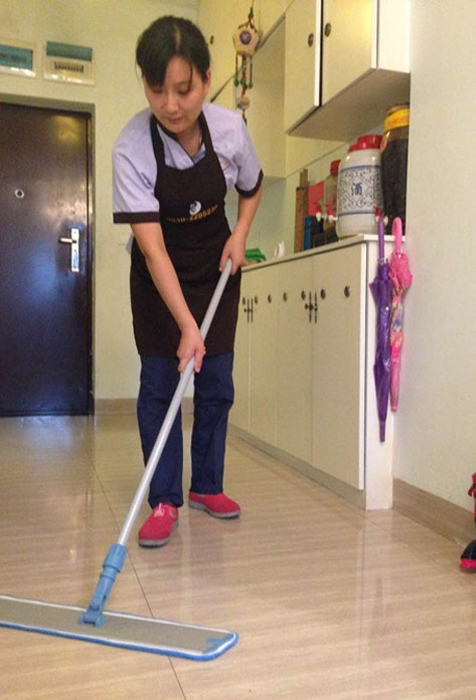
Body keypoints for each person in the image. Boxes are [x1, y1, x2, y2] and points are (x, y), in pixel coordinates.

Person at [112, 15, 262, 547]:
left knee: (216, 383)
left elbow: (251, 187)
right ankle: (164, 498)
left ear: (206, 78)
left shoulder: (230, 130)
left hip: (215, 266)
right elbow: (153, 250)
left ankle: (207, 486)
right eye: (157, 90)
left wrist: (240, 234)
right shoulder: (131, 148)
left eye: (184, 89)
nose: (171, 105)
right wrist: (185, 324)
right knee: (161, 386)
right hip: (159, 279)